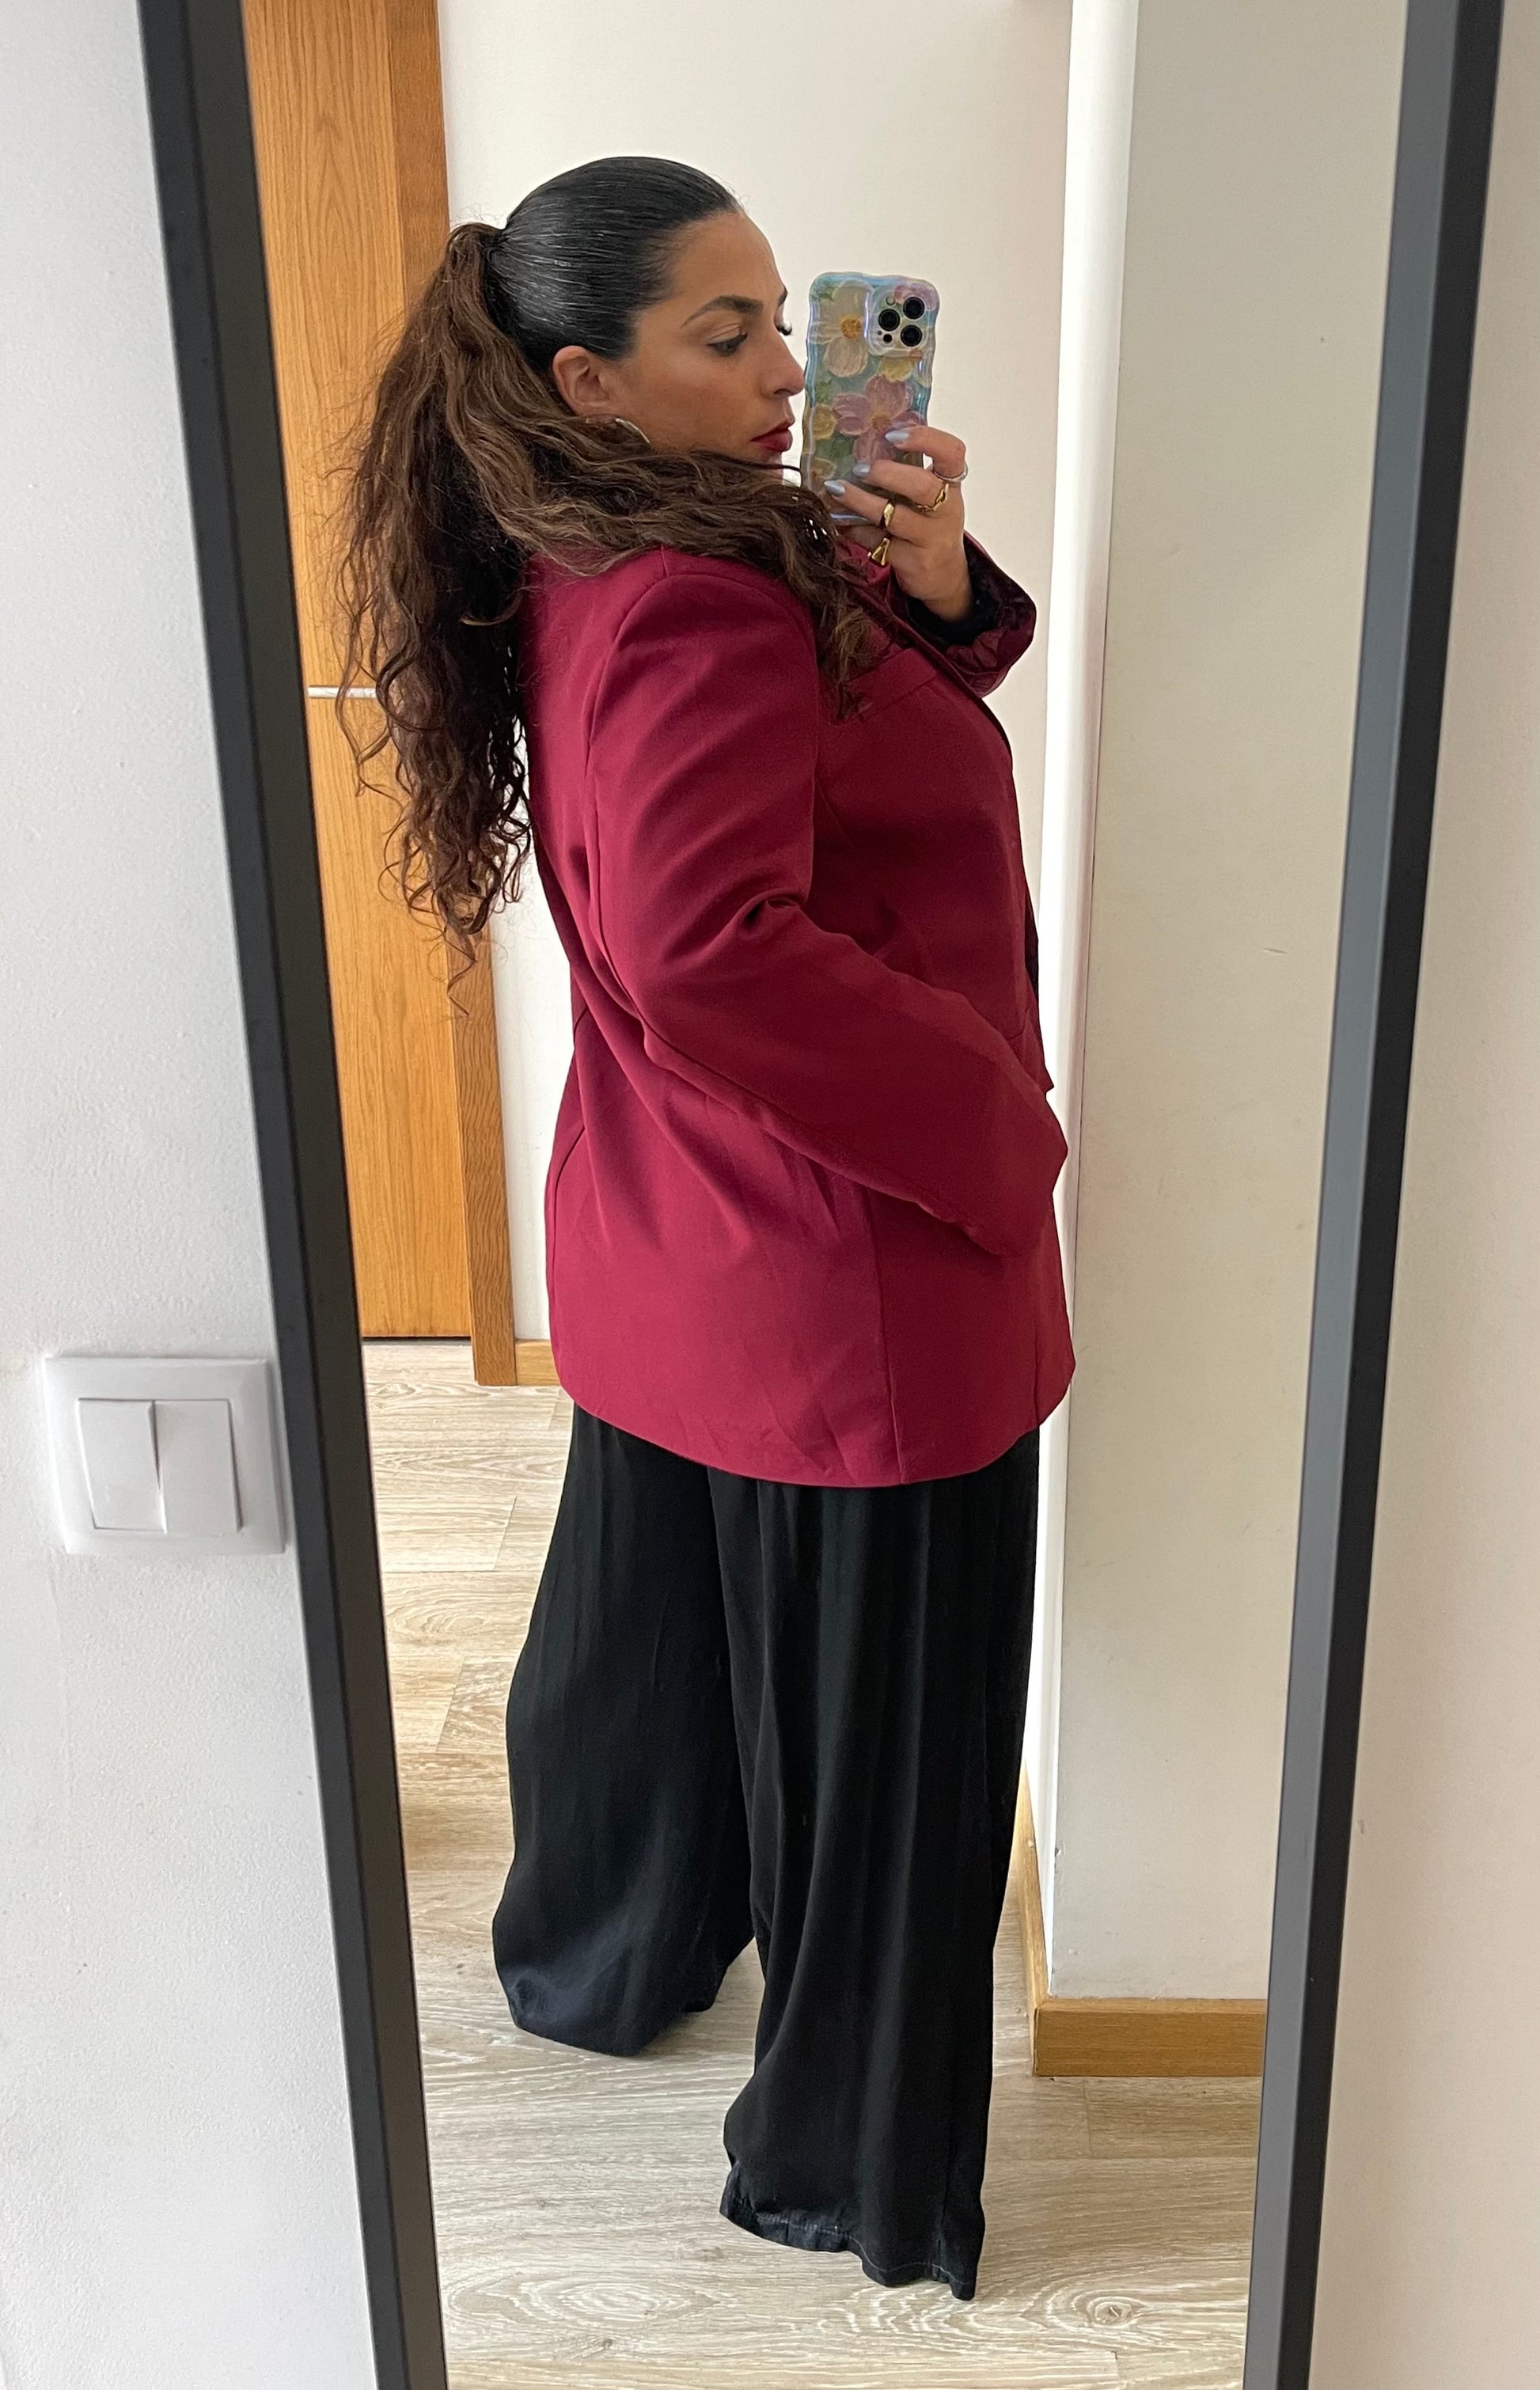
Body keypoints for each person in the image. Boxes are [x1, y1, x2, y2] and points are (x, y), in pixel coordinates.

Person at [341, 154, 1072, 2302]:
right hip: (850, 1253)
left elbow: (833, 765)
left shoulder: (604, 545)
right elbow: (708, 943)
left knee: (652, 1642)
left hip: (689, 1234)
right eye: (723, 335)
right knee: (889, 1747)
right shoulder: (703, 586)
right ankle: (844, 2163)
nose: (781, 373)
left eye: (782, 320)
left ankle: (602, 1957)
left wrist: (932, 587)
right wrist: (996, 1127)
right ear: (589, 375)